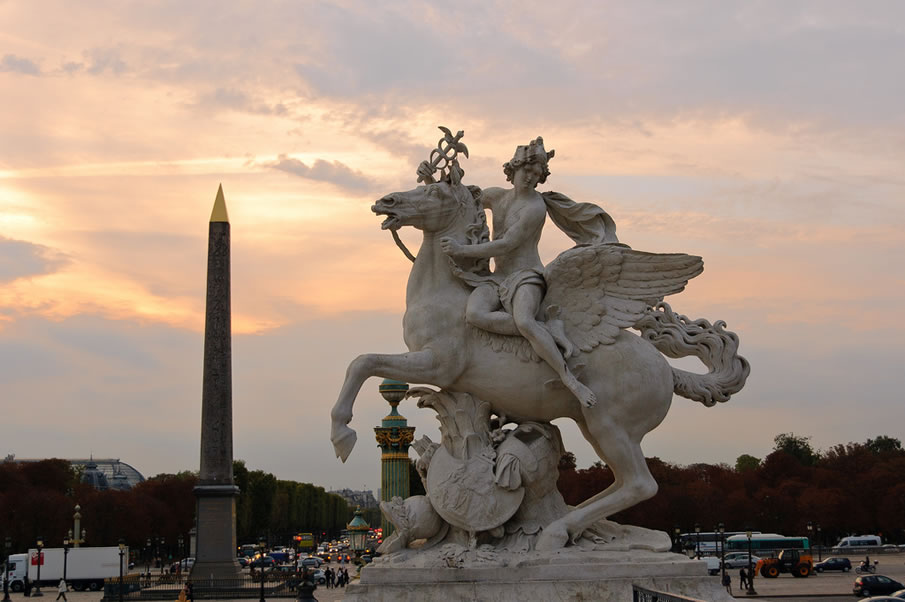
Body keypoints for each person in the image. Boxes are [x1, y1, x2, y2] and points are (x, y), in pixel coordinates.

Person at [438, 137, 603, 408]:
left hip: (527, 276)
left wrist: (460, 250)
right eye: (527, 171)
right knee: (474, 314)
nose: (531, 178)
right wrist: (440, 178)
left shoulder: (535, 208)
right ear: (513, 169)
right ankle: (547, 329)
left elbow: (507, 244)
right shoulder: (495, 196)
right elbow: (459, 196)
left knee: (524, 321)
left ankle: (568, 379)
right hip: (496, 277)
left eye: (537, 175)